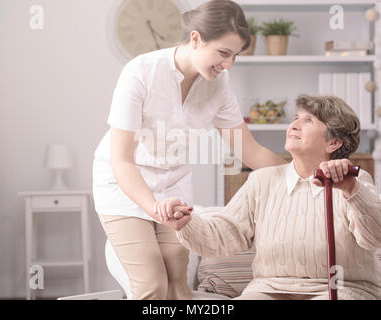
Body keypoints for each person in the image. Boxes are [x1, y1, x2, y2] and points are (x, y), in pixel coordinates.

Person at [92, 0, 285, 300]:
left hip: (173, 185)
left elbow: (251, 153)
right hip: (123, 185)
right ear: (195, 39)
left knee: (179, 289)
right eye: (223, 53)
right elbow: (122, 160)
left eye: (235, 56)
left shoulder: (218, 84)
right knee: (152, 286)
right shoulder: (140, 72)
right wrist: (154, 208)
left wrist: (307, 171)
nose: (228, 64)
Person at [173, 95, 381, 300]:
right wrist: (186, 223)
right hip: (270, 288)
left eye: (309, 121)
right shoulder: (261, 181)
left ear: (333, 142)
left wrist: (351, 190)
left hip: (343, 288)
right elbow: (224, 235)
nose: (294, 125)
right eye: (296, 118)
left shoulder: (354, 180)